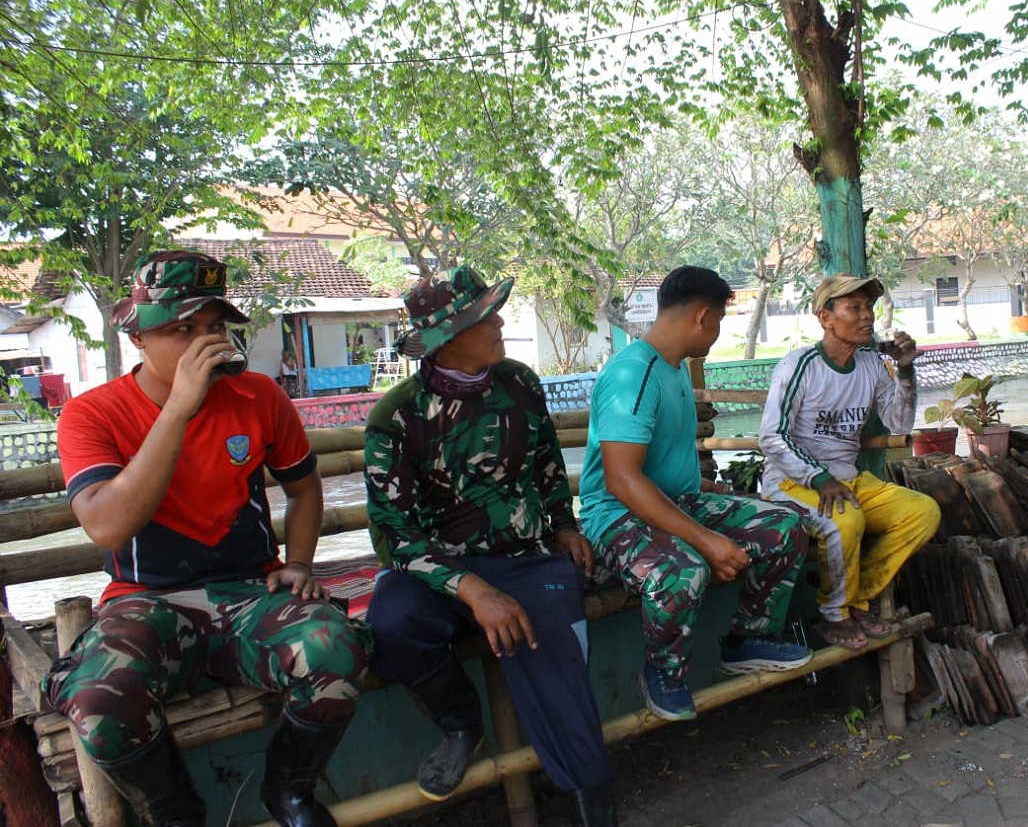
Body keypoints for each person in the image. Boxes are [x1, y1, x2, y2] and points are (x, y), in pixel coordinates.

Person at [44, 250, 369, 827]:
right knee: (98, 699)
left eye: (214, 326)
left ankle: (289, 791)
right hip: (147, 600)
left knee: (335, 648)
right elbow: (108, 524)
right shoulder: (92, 414)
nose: (205, 342)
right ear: (139, 337)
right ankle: (176, 814)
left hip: (249, 593)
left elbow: (304, 488)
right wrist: (177, 411)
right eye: (182, 329)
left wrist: (298, 562)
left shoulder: (259, 397)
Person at [363, 267, 616, 826]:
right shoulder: (397, 416)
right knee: (391, 624)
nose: (501, 320)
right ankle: (459, 723)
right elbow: (397, 537)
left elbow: (549, 466)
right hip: (436, 569)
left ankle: (590, 808)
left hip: (526, 558)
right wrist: (472, 588)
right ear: (447, 341)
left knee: (561, 669)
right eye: (485, 317)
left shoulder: (520, 383)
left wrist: (564, 526)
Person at [579, 265, 812, 723]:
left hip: (675, 504)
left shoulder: (674, 367)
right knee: (681, 570)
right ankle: (663, 673)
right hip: (616, 516)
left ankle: (748, 638)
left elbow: (663, 462)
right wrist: (706, 540)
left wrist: (712, 493)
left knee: (783, 525)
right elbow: (622, 481)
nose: (718, 333)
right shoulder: (633, 375)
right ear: (703, 317)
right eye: (721, 322)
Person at [758, 274, 940, 650]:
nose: (866, 317)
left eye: (868, 308)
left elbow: (899, 422)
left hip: (847, 479)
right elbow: (772, 436)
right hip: (793, 484)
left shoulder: (873, 363)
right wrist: (818, 477)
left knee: (923, 512)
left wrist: (906, 370)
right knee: (846, 519)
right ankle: (833, 615)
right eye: (854, 308)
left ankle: (855, 599)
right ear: (825, 317)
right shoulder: (800, 365)